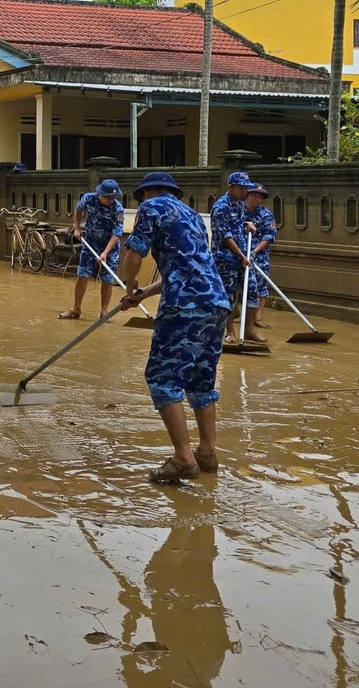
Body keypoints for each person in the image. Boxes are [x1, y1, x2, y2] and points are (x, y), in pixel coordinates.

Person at [118, 171, 231, 484]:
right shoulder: (193, 216)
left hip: (184, 307)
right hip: (216, 305)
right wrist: (142, 295)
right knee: (200, 382)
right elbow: (182, 270)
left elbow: (134, 254)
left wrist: (129, 287)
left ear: (146, 193)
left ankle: (183, 459)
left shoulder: (150, 208)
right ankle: (207, 451)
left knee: (161, 378)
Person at [60, 179, 125, 320]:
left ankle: (104, 312)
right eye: (107, 197)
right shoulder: (89, 199)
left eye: (113, 198)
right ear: (99, 194)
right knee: (82, 274)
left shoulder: (117, 209)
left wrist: (105, 253)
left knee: (107, 279)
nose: (110, 200)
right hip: (90, 243)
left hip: (110, 247)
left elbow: (117, 234)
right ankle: (76, 309)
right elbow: (78, 208)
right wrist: (77, 227)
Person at [210, 171, 260, 345]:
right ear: (230, 186)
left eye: (246, 187)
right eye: (241, 187)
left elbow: (237, 224)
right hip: (226, 259)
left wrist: (247, 224)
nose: (244, 190)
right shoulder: (220, 207)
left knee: (252, 290)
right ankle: (229, 332)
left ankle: (249, 331)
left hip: (242, 256)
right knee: (229, 296)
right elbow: (226, 236)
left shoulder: (239, 204)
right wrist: (241, 256)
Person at [243, 184, 277, 328]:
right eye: (254, 195)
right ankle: (237, 313)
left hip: (259, 255)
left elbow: (269, 236)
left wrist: (255, 251)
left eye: (260, 196)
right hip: (238, 252)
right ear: (247, 195)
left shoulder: (266, 214)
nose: (257, 199)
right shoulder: (238, 211)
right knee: (237, 285)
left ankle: (257, 317)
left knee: (261, 286)